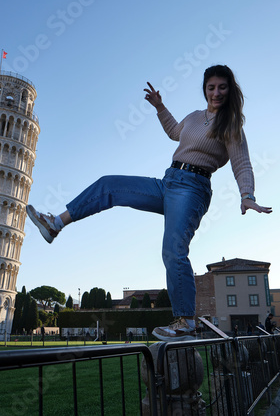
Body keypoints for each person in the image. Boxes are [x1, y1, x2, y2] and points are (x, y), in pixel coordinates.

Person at [27, 65, 272, 339]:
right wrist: (160, 107)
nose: (216, 93)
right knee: (110, 184)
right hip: (168, 182)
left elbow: (242, 163)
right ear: (204, 89)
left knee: (173, 249)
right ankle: (55, 224)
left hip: (192, 188)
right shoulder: (194, 117)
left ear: (230, 89)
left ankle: (185, 322)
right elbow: (174, 132)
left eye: (222, 87)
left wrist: (247, 195)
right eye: (211, 87)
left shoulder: (231, 124)